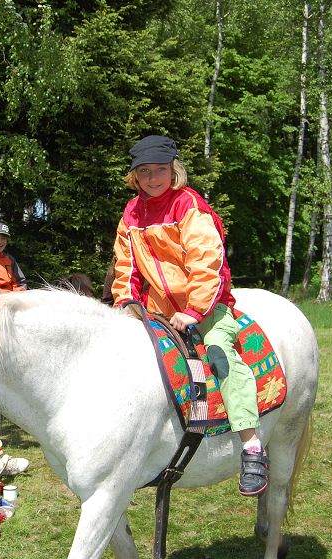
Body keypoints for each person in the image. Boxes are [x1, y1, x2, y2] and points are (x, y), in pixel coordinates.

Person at [110, 135, 269, 497]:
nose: (153, 178)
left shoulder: (189, 205)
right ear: (135, 176)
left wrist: (194, 310)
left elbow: (206, 261)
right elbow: (126, 265)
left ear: (174, 171)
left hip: (208, 305)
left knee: (220, 353)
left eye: (160, 170)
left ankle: (251, 446)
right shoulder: (131, 213)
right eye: (144, 171)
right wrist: (126, 301)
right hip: (157, 310)